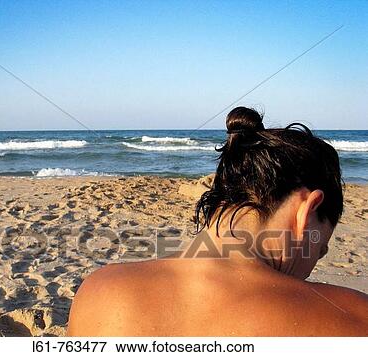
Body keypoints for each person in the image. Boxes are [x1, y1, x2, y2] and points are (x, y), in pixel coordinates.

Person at [67, 107, 368, 336]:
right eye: (320, 248)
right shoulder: (353, 317)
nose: (312, 261)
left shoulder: (99, 292)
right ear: (307, 210)